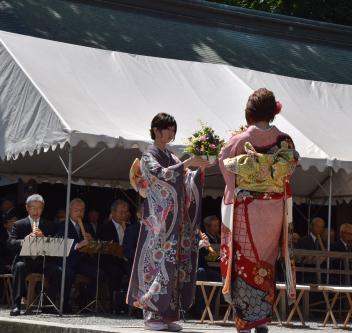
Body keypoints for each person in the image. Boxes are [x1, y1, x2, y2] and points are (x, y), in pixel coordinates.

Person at [219, 88, 299, 333]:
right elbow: (290, 167)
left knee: (244, 260)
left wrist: (237, 186)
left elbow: (224, 161)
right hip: (274, 208)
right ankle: (263, 318)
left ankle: (246, 320)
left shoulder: (240, 139)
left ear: (250, 112)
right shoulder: (285, 141)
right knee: (267, 260)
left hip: (247, 208)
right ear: (273, 112)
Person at [127, 113, 211, 331]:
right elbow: (160, 174)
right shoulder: (148, 155)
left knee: (173, 266)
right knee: (157, 264)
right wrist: (185, 164)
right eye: (168, 129)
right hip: (158, 222)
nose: (172, 134)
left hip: (175, 221)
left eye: (174, 130)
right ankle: (151, 314)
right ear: (156, 130)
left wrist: (198, 170)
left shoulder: (172, 157)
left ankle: (166, 315)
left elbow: (184, 179)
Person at [7, 194, 63, 316]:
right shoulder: (19, 224)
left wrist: (44, 239)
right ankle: (16, 305)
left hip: (42, 261)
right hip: (26, 261)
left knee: (58, 271)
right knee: (19, 267)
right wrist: (25, 240)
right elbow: (11, 243)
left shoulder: (49, 224)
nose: (36, 211)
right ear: (27, 208)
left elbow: (55, 243)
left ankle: (48, 303)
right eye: (33, 208)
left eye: (39, 208)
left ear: (43, 209)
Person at [57, 198, 97, 310]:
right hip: (68, 261)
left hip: (82, 261)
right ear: (70, 211)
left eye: (82, 210)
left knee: (99, 273)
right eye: (76, 210)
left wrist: (91, 241)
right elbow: (60, 244)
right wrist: (78, 245)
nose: (79, 213)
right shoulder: (63, 225)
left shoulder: (87, 226)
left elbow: (94, 245)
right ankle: (64, 304)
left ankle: (83, 302)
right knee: (68, 274)